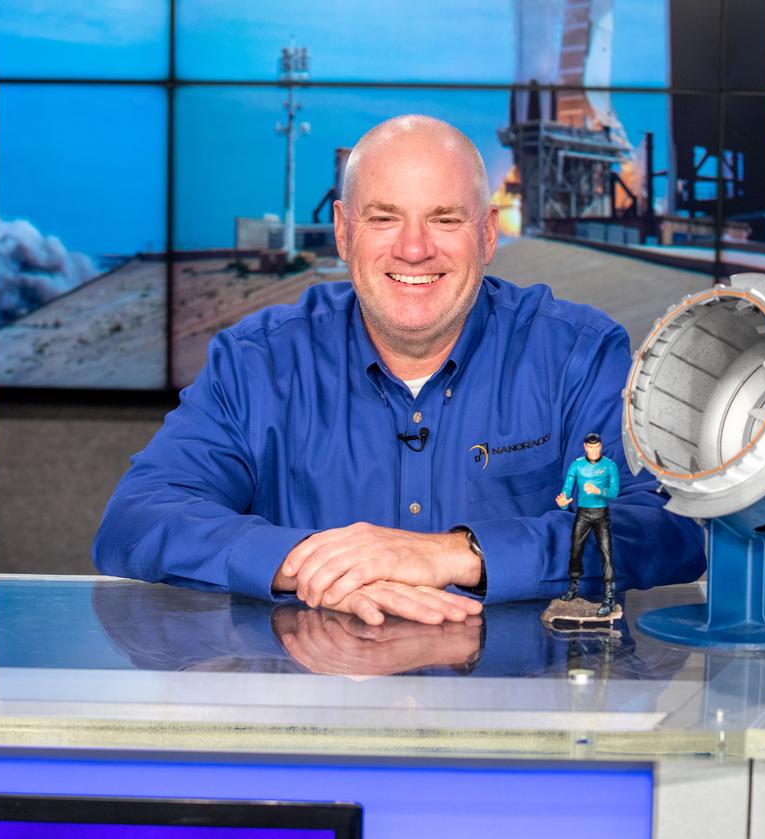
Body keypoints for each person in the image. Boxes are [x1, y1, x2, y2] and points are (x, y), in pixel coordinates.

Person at [92, 115, 705, 626]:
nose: (414, 249)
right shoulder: (258, 361)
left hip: (520, 710)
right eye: (384, 218)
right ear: (342, 231)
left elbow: (667, 525)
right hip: (314, 711)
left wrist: (456, 555)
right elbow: (137, 519)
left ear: (488, 234)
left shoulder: (578, 354)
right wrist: (314, 564)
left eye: (445, 219)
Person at [555, 432, 620, 616]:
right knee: (575, 550)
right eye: (590, 447)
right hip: (582, 514)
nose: (594, 450)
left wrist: (598, 490)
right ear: (585, 447)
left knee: (606, 553)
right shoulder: (576, 465)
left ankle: (609, 597)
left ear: (601, 446)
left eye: (597, 446)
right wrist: (563, 502)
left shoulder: (609, 465)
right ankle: (573, 586)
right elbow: (566, 490)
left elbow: (614, 492)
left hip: (601, 514)